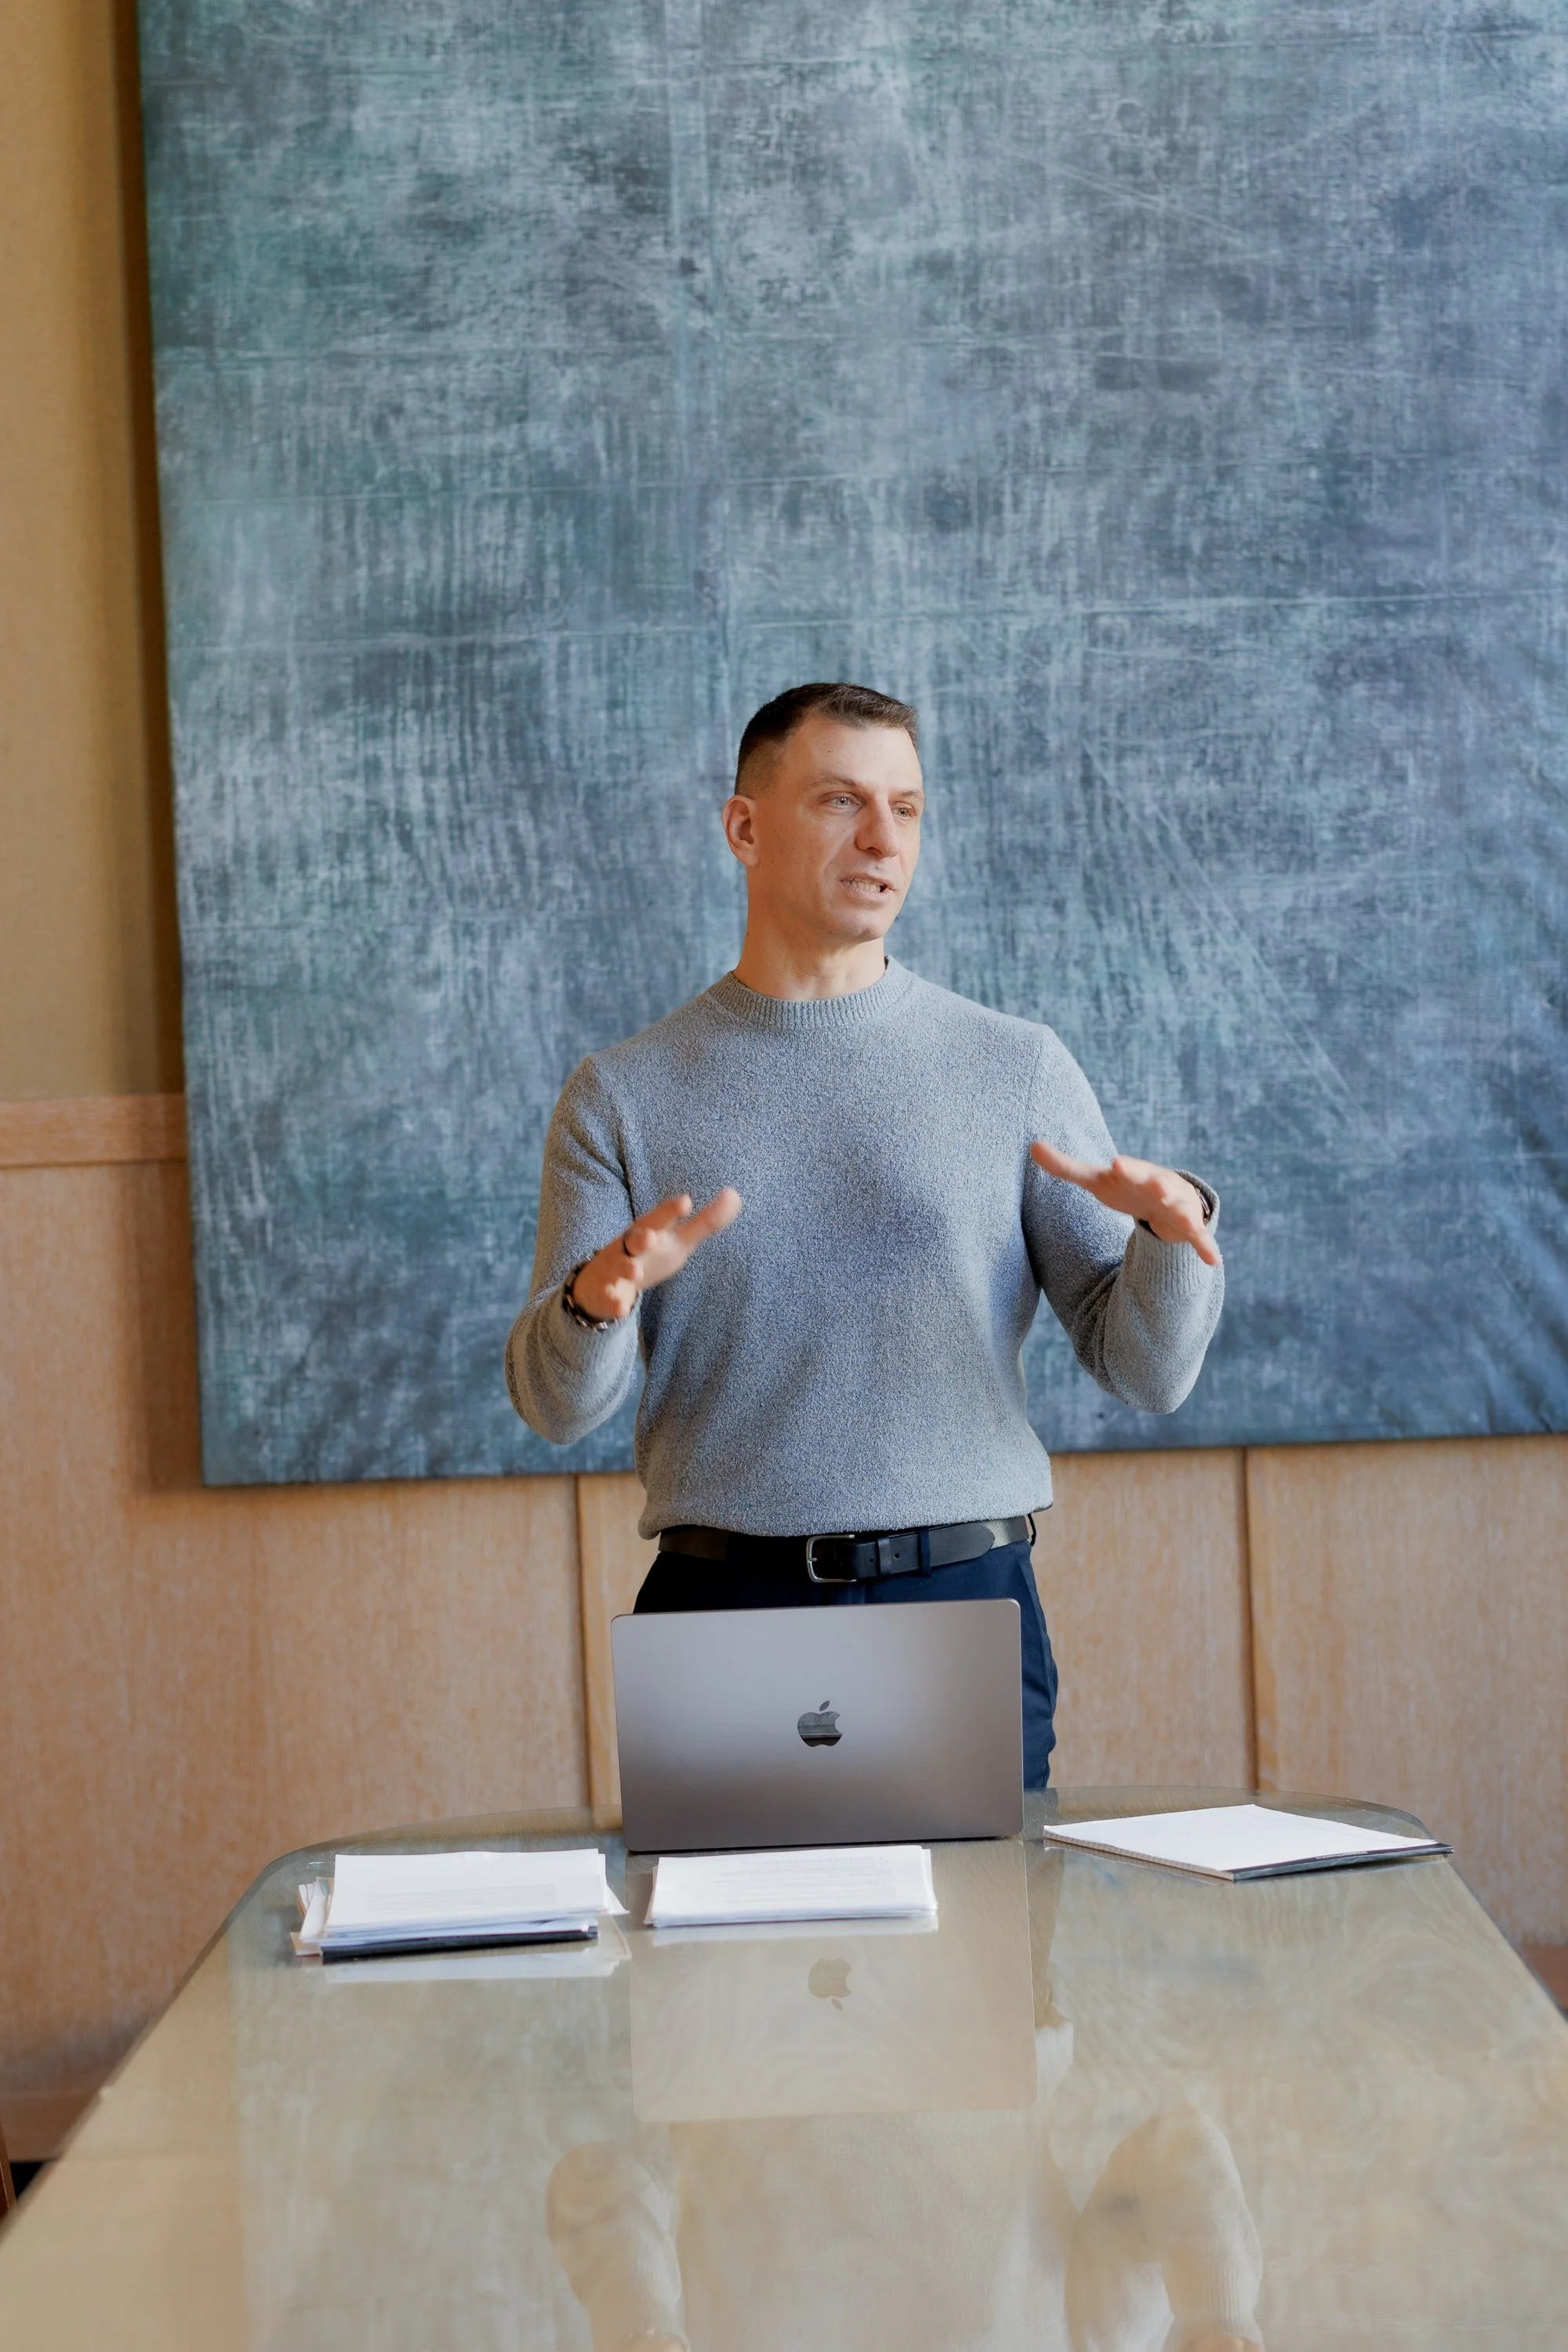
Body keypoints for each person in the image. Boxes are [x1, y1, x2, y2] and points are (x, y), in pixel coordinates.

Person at [506, 681, 1223, 1784]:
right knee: (714, 1911)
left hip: (961, 1606)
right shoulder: (621, 1095)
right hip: (721, 1610)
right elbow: (556, 1407)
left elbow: (1147, 1375)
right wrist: (594, 1302)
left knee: (977, 1908)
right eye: (842, 800)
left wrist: (1171, 1243)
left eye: (908, 808)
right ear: (745, 827)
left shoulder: (1016, 1067)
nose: (884, 839)